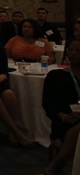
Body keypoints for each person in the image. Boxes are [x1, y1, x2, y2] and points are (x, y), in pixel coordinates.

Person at [41, 40, 80, 175]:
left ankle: (53, 168)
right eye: (70, 50)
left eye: (78, 51)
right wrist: (63, 116)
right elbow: (47, 104)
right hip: (63, 123)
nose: (73, 53)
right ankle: (53, 168)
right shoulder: (56, 76)